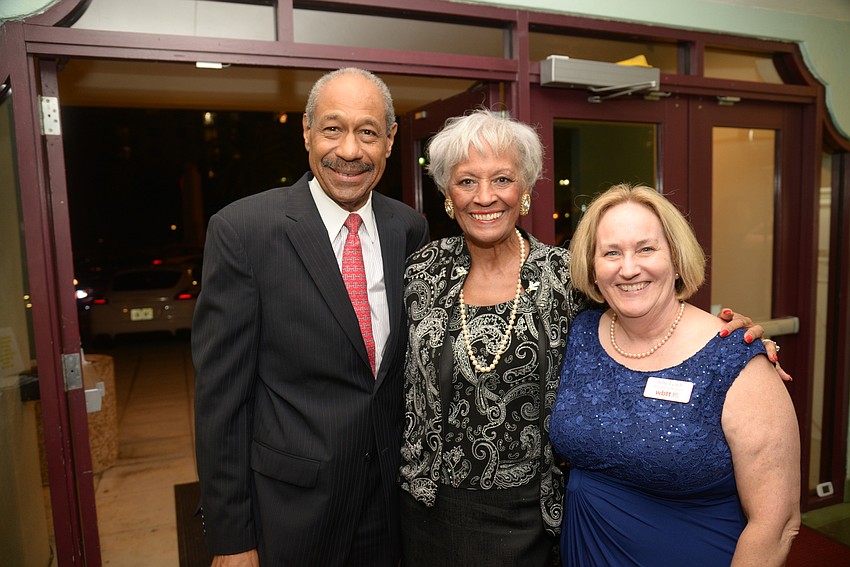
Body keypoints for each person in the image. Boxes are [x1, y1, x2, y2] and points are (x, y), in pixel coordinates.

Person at [397, 110, 774, 566]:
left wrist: (734, 341)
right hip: (428, 506)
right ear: (446, 194)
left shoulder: (566, 277)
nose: (485, 197)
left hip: (534, 514)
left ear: (526, 190)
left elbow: (644, 313)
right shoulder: (422, 272)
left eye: (501, 179)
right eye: (466, 182)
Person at [192, 67, 429, 567]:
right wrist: (232, 538)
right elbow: (222, 401)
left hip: (391, 510)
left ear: (389, 140)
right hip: (291, 514)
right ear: (306, 131)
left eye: (367, 132)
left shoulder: (408, 227)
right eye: (332, 128)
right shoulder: (243, 230)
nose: (349, 151)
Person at [550, 183, 800, 566]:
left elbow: (777, 523)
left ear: (678, 258)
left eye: (646, 249)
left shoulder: (734, 358)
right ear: (592, 268)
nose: (629, 268)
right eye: (611, 252)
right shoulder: (580, 332)